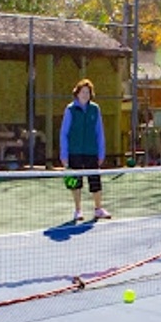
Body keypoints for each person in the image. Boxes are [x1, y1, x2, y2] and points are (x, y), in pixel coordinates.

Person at [59, 78, 110, 221]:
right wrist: (64, 154)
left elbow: (99, 132)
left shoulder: (95, 109)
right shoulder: (70, 110)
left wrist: (101, 153)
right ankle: (78, 210)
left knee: (95, 181)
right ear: (77, 93)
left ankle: (98, 209)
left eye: (88, 92)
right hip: (74, 152)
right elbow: (64, 133)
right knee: (76, 182)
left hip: (91, 151)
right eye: (83, 92)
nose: (85, 95)